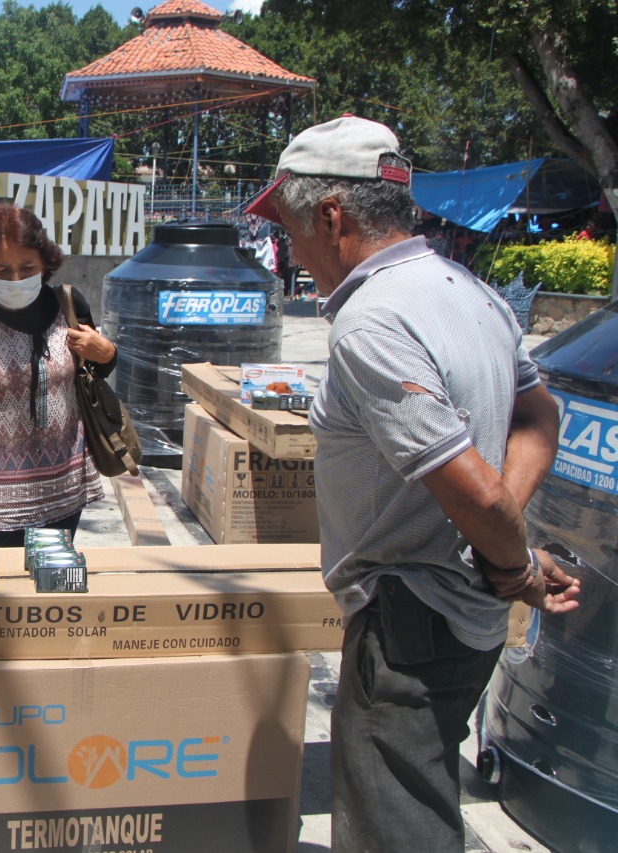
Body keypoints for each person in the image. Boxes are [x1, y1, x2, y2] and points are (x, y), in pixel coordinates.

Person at [245, 115, 582, 852]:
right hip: (462, 621)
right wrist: (495, 546)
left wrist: (512, 561)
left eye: (295, 229)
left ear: (332, 216)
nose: (293, 250)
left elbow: (482, 494)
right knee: (421, 796)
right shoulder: (470, 291)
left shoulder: (371, 323)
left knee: (394, 823)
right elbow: (537, 414)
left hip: (410, 628)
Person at [0, 203, 118, 548]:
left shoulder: (70, 306)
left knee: (49, 587)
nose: (16, 279)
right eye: (2, 270)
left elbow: (92, 375)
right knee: (0, 596)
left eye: (27, 267)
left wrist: (108, 353)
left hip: (65, 487)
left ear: (46, 262)